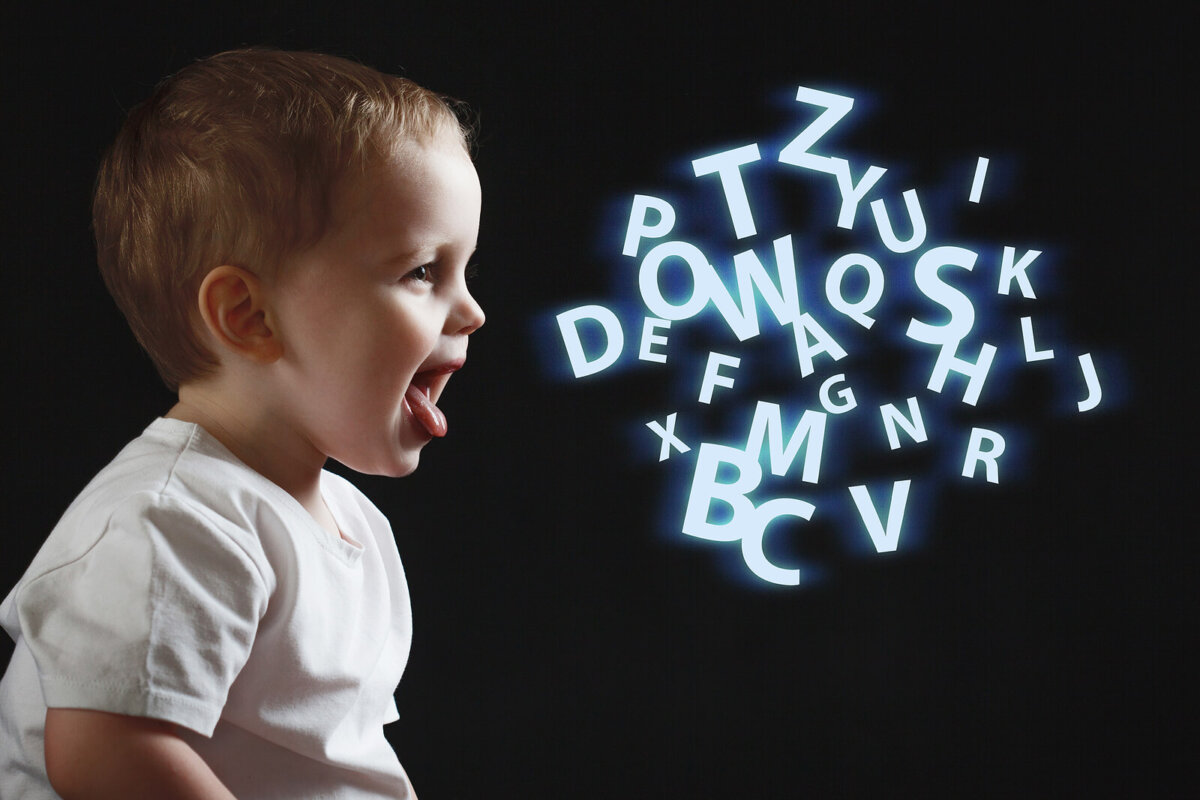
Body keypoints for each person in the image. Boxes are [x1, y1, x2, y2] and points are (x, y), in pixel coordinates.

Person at [0, 48, 485, 799]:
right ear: (250, 317)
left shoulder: (345, 522)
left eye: (464, 271)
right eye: (421, 271)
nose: (471, 312)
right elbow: (103, 752)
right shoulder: (173, 521)